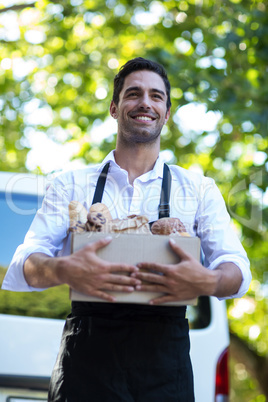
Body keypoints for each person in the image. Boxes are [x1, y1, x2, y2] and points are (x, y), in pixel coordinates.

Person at [2, 57, 251, 401]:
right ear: (114, 108)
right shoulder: (70, 184)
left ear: (166, 114)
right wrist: (63, 268)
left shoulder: (198, 188)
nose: (145, 102)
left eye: (156, 96)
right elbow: (26, 261)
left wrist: (209, 281)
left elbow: (236, 268)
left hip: (165, 369)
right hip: (86, 364)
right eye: (133, 94)